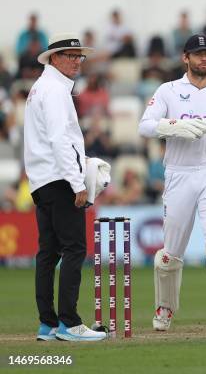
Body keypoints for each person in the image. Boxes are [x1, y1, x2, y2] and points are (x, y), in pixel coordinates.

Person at [138, 34, 206, 333]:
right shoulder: (169, 91)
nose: (204, 59)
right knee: (170, 254)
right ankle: (165, 308)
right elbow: (145, 125)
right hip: (179, 174)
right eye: (198, 54)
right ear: (186, 57)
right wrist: (175, 126)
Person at [24, 33, 106, 341]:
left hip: (42, 180)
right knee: (74, 249)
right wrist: (76, 183)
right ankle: (70, 324)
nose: (76, 61)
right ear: (53, 58)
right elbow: (60, 140)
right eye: (70, 56)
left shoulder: (40, 88)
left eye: (78, 56)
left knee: (48, 252)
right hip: (59, 179)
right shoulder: (54, 90)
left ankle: (48, 324)